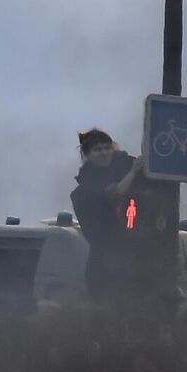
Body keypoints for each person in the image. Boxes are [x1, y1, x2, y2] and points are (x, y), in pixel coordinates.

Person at [69, 129, 146, 302]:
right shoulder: (87, 183)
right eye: (98, 150)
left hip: (137, 256)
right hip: (104, 262)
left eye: (106, 148)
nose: (104, 153)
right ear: (87, 155)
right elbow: (115, 193)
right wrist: (133, 172)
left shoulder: (126, 164)